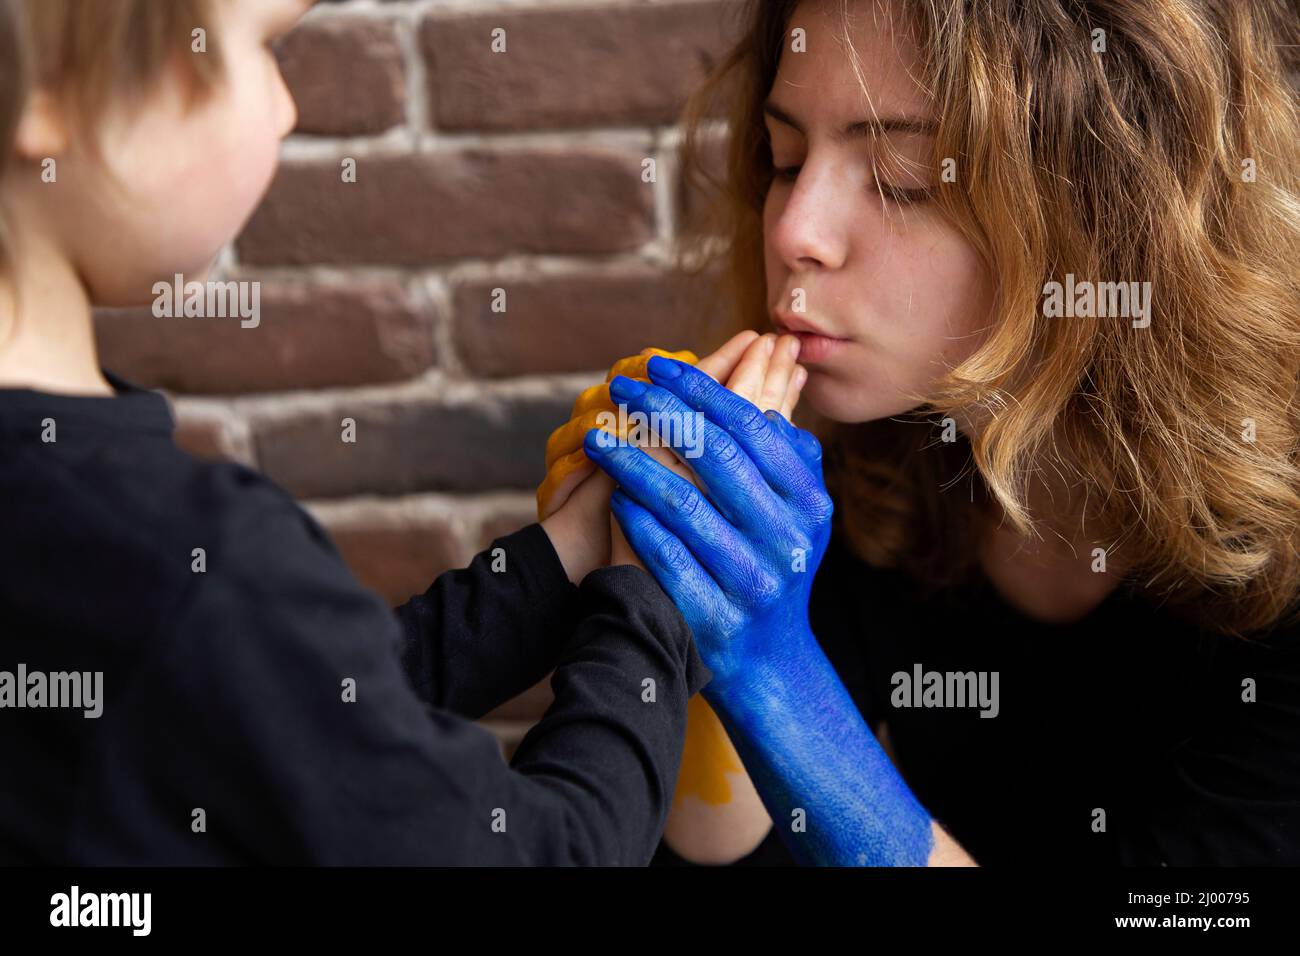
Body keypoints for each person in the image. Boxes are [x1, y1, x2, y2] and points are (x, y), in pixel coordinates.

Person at [543, 0, 1300, 865]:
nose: (794, 231)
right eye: (787, 159)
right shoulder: (876, 462)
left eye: (901, 177)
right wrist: (671, 595)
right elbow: (719, 844)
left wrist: (776, 677)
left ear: (1107, 217)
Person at [0, 0, 707, 865]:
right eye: (261, 49)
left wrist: (568, 557)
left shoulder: (105, 547)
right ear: (50, 94)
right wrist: (658, 591)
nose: (287, 108)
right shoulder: (193, 562)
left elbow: (287, 712)